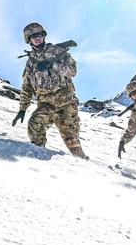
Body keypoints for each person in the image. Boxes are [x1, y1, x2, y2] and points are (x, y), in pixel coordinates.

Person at [12, 23, 87, 158]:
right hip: (46, 104)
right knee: (34, 126)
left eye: (39, 35)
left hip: (66, 103)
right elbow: (27, 87)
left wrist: (53, 64)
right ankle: (39, 157)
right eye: (33, 36)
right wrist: (22, 108)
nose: (37, 38)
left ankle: (84, 165)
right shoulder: (30, 63)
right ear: (28, 40)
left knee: (72, 141)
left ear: (44, 35)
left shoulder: (58, 51)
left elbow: (72, 71)